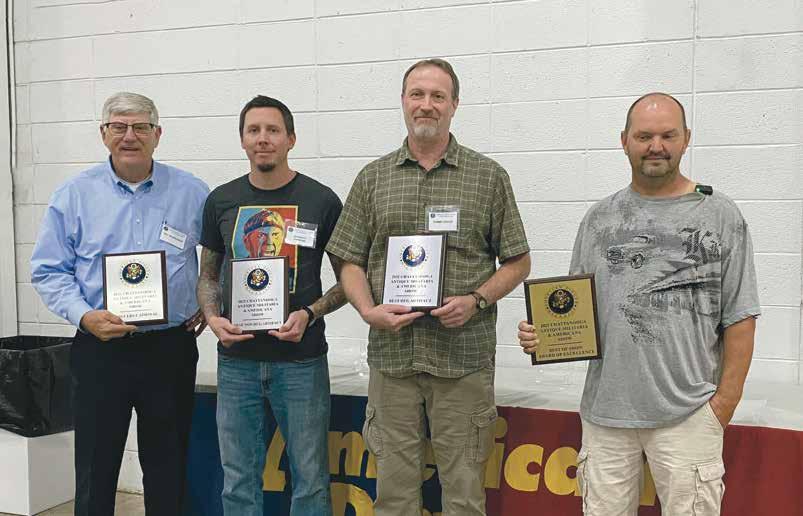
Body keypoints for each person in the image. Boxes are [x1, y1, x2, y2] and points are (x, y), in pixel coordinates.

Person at [518, 92, 760, 515]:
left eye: (668, 135)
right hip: (606, 416)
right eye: (644, 136)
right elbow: (576, 310)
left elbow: (740, 317)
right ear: (624, 141)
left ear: (686, 139)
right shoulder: (599, 219)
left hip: (689, 415)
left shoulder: (720, 216)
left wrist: (721, 407)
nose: (656, 146)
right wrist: (544, 334)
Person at [326, 59, 531, 515]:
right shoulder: (373, 178)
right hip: (393, 359)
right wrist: (367, 310)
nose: (426, 104)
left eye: (438, 96)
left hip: (463, 360)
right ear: (403, 101)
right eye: (417, 94)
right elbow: (348, 258)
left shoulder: (488, 176)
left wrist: (477, 300)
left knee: (464, 494)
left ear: (454, 105)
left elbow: (519, 261)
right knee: (393, 496)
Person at [30, 92, 209, 515]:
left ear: (157, 134)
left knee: (168, 466)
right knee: (96, 466)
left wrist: (209, 300)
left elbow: (218, 258)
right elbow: (48, 271)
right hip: (100, 349)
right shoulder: (73, 195)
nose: (130, 136)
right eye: (119, 126)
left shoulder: (192, 192)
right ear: (104, 133)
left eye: (141, 127)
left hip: (169, 348)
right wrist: (85, 316)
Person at [196, 95, 345, 516]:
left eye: (273, 130)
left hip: (301, 361)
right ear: (243, 139)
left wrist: (310, 314)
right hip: (237, 362)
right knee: (238, 480)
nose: (263, 139)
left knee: (310, 480)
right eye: (254, 130)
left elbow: (349, 281)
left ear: (291, 139)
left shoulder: (321, 200)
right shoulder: (221, 200)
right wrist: (212, 318)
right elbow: (208, 276)